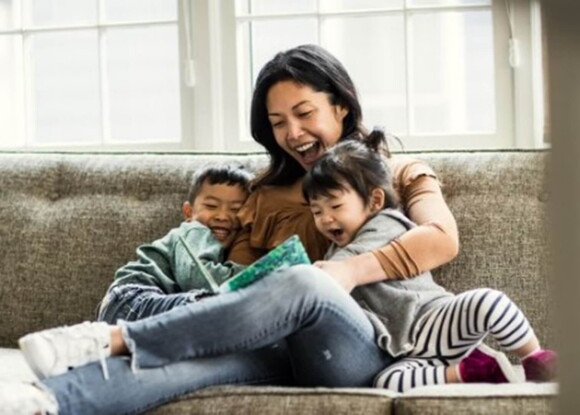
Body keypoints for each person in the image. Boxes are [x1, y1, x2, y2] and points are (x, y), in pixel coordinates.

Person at [1, 44, 459, 415]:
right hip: (275, 347)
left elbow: (442, 237)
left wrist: (348, 272)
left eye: (304, 114)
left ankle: (114, 337)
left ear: (340, 107)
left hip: (363, 349)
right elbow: (235, 289)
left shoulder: (397, 173)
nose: (293, 133)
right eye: (278, 123)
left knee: (305, 281)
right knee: (188, 363)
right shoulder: (263, 195)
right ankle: (46, 402)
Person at [301, 133, 557, 392]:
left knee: (488, 301)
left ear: (375, 201)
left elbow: (344, 265)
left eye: (335, 206)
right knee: (385, 381)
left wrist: (306, 278)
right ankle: (471, 371)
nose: (325, 219)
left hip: (435, 320)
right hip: (408, 351)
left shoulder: (386, 224)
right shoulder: (335, 254)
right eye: (317, 211)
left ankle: (534, 357)